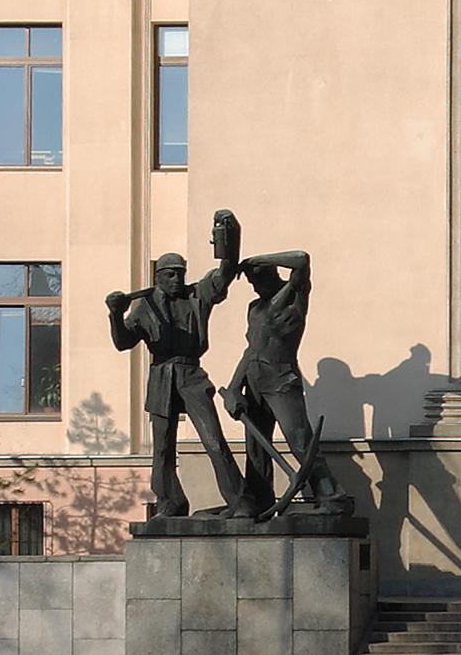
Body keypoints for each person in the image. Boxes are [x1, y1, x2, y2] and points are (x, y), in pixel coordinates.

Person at [106, 219, 248, 520]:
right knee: (162, 448)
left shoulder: (197, 295)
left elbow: (225, 272)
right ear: (158, 277)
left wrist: (227, 235)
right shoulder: (144, 306)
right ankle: (169, 503)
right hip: (161, 377)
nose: (176, 279)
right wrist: (115, 314)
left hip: (191, 374)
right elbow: (123, 343)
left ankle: (240, 501)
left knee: (213, 440)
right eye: (170, 274)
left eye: (180, 273)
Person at [225, 246, 341, 517]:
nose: (255, 287)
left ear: (273, 273)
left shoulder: (294, 297)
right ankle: (260, 500)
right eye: (251, 282)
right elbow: (251, 349)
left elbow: (302, 259)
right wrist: (233, 387)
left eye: (258, 279)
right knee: (256, 449)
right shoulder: (255, 308)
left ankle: (333, 497)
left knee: (300, 441)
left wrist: (257, 259)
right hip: (254, 382)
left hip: (281, 381)